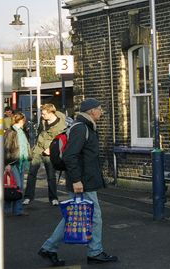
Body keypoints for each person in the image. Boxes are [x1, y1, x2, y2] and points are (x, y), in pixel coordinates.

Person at [38, 98, 118, 266]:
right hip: (82, 181)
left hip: (84, 180)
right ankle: (95, 252)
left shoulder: (85, 127)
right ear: (91, 111)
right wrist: (76, 180)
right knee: (94, 216)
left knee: (73, 215)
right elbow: (70, 156)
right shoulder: (81, 129)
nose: (101, 112)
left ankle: (49, 248)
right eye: (99, 109)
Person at [23, 103, 67, 206]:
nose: (42, 116)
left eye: (44, 114)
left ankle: (53, 198)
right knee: (31, 173)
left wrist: (51, 149)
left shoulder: (61, 124)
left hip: (49, 152)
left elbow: (61, 139)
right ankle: (28, 197)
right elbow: (39, 132)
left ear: (51, 112)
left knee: (51, 175)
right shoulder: (43, 121)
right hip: (38, 149)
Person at [4, 112, 32, 216]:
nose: (25, 122)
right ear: (21, 120)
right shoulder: (11, 132)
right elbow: (6, 148)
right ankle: (10, 209)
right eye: (24, 120)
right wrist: (7, 163)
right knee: (16, 186)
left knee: (17, 187)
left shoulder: (21, 131)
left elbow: (25, 146)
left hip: (20, 162)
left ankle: (16, 210)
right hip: (13, 162)